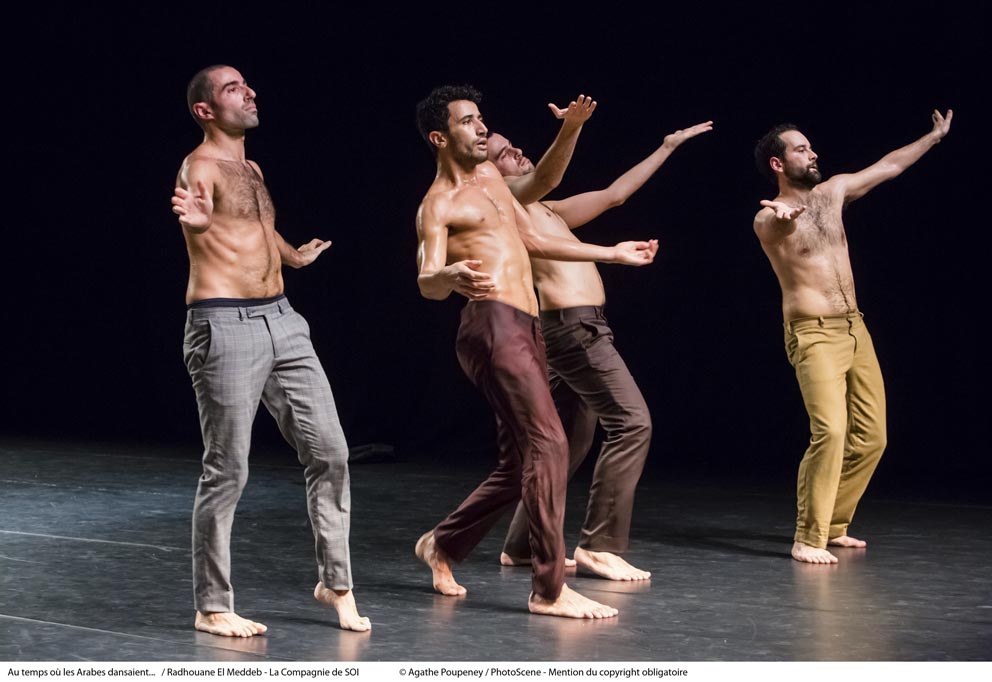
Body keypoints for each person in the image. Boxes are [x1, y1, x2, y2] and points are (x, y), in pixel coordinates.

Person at [413, 84, 658, 618]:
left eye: (482, 118)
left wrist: (611, 254)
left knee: (522, 458)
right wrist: (446, 275)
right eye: (467, 122)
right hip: (492, 323)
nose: (481, 128)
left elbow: (539, 233)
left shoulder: (493, 186)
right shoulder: (441, 203)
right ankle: (548, 588)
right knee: (551, 444)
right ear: (440, 136)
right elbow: (426, 280)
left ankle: (444, 543)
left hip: (528, 326)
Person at [171, 65, 369, 635]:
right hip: (224, 323)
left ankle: (336, 584)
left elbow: (256, 226)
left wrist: (291, 256)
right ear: (205, 110)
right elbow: (202, 217)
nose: (250, 91)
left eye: (248, 84)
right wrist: (200, 220)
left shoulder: (250, 166)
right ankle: (212, 605)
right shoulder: (198, 166)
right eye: (234, 88)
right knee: (227, 467)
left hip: (284, 320)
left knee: (330, 452)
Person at [488, 101, 712, 581]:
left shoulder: (544, 209)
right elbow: (544, 179)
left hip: (577, 328)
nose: (517, 152)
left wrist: (666, 147)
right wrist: (571, 129)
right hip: (573, 329)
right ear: (488, 170)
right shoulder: (506, 205)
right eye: (504, 153)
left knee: (566, 444)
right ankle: (600, 543)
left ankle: (522, 544)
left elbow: (613, 195)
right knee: (632, 423)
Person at [752, 110, 953, 564]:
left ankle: (834, 523)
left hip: (855, 328)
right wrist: (784, 216)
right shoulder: (767, 220)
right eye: (801, 149)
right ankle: (808, 536)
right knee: (831, 431)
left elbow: (889, 166)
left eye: (810, 145)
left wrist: (933, 138)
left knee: (872, 437)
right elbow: (778, 227)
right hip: (813, 334)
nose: (812, 152)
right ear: (778, 165)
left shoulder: (833, 192)